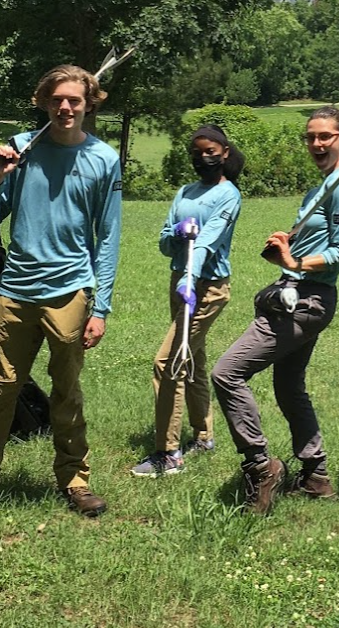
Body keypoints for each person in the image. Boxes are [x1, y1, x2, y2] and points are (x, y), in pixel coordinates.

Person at [0, 65, 123, 519]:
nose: (65, 107)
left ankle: (75, 480)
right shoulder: (22, 148)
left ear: (89, 105)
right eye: (57, 100)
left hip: (71, 291)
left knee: (67, 390)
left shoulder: (103, 159)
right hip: (16, 291)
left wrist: (99, 306)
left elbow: (108, 237)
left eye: (75, 101)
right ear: (44, 102)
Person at [211, 106, 339, 515]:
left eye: (325, 136)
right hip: (299, 292)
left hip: (307, 300)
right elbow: (317, 243)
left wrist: (295, 264)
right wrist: (287, 243)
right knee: (289, 387)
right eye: (310, 136)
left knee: (227, 373)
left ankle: (261, 466)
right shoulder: (324, 185)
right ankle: (315, 475)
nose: (316, 144)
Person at [129, 125, 244, 478]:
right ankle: (204, 436)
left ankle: (169, 453)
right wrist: (177, 235)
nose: (203, 158)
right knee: (191, 356)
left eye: (210, 151)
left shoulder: (229, 196)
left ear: (224, 152)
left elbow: (209, 241)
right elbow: (165, 243)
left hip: (206, 287)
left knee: (168, 362)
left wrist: (191, 278)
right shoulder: (184, 192)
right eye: (196, 153)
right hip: (179, 280)